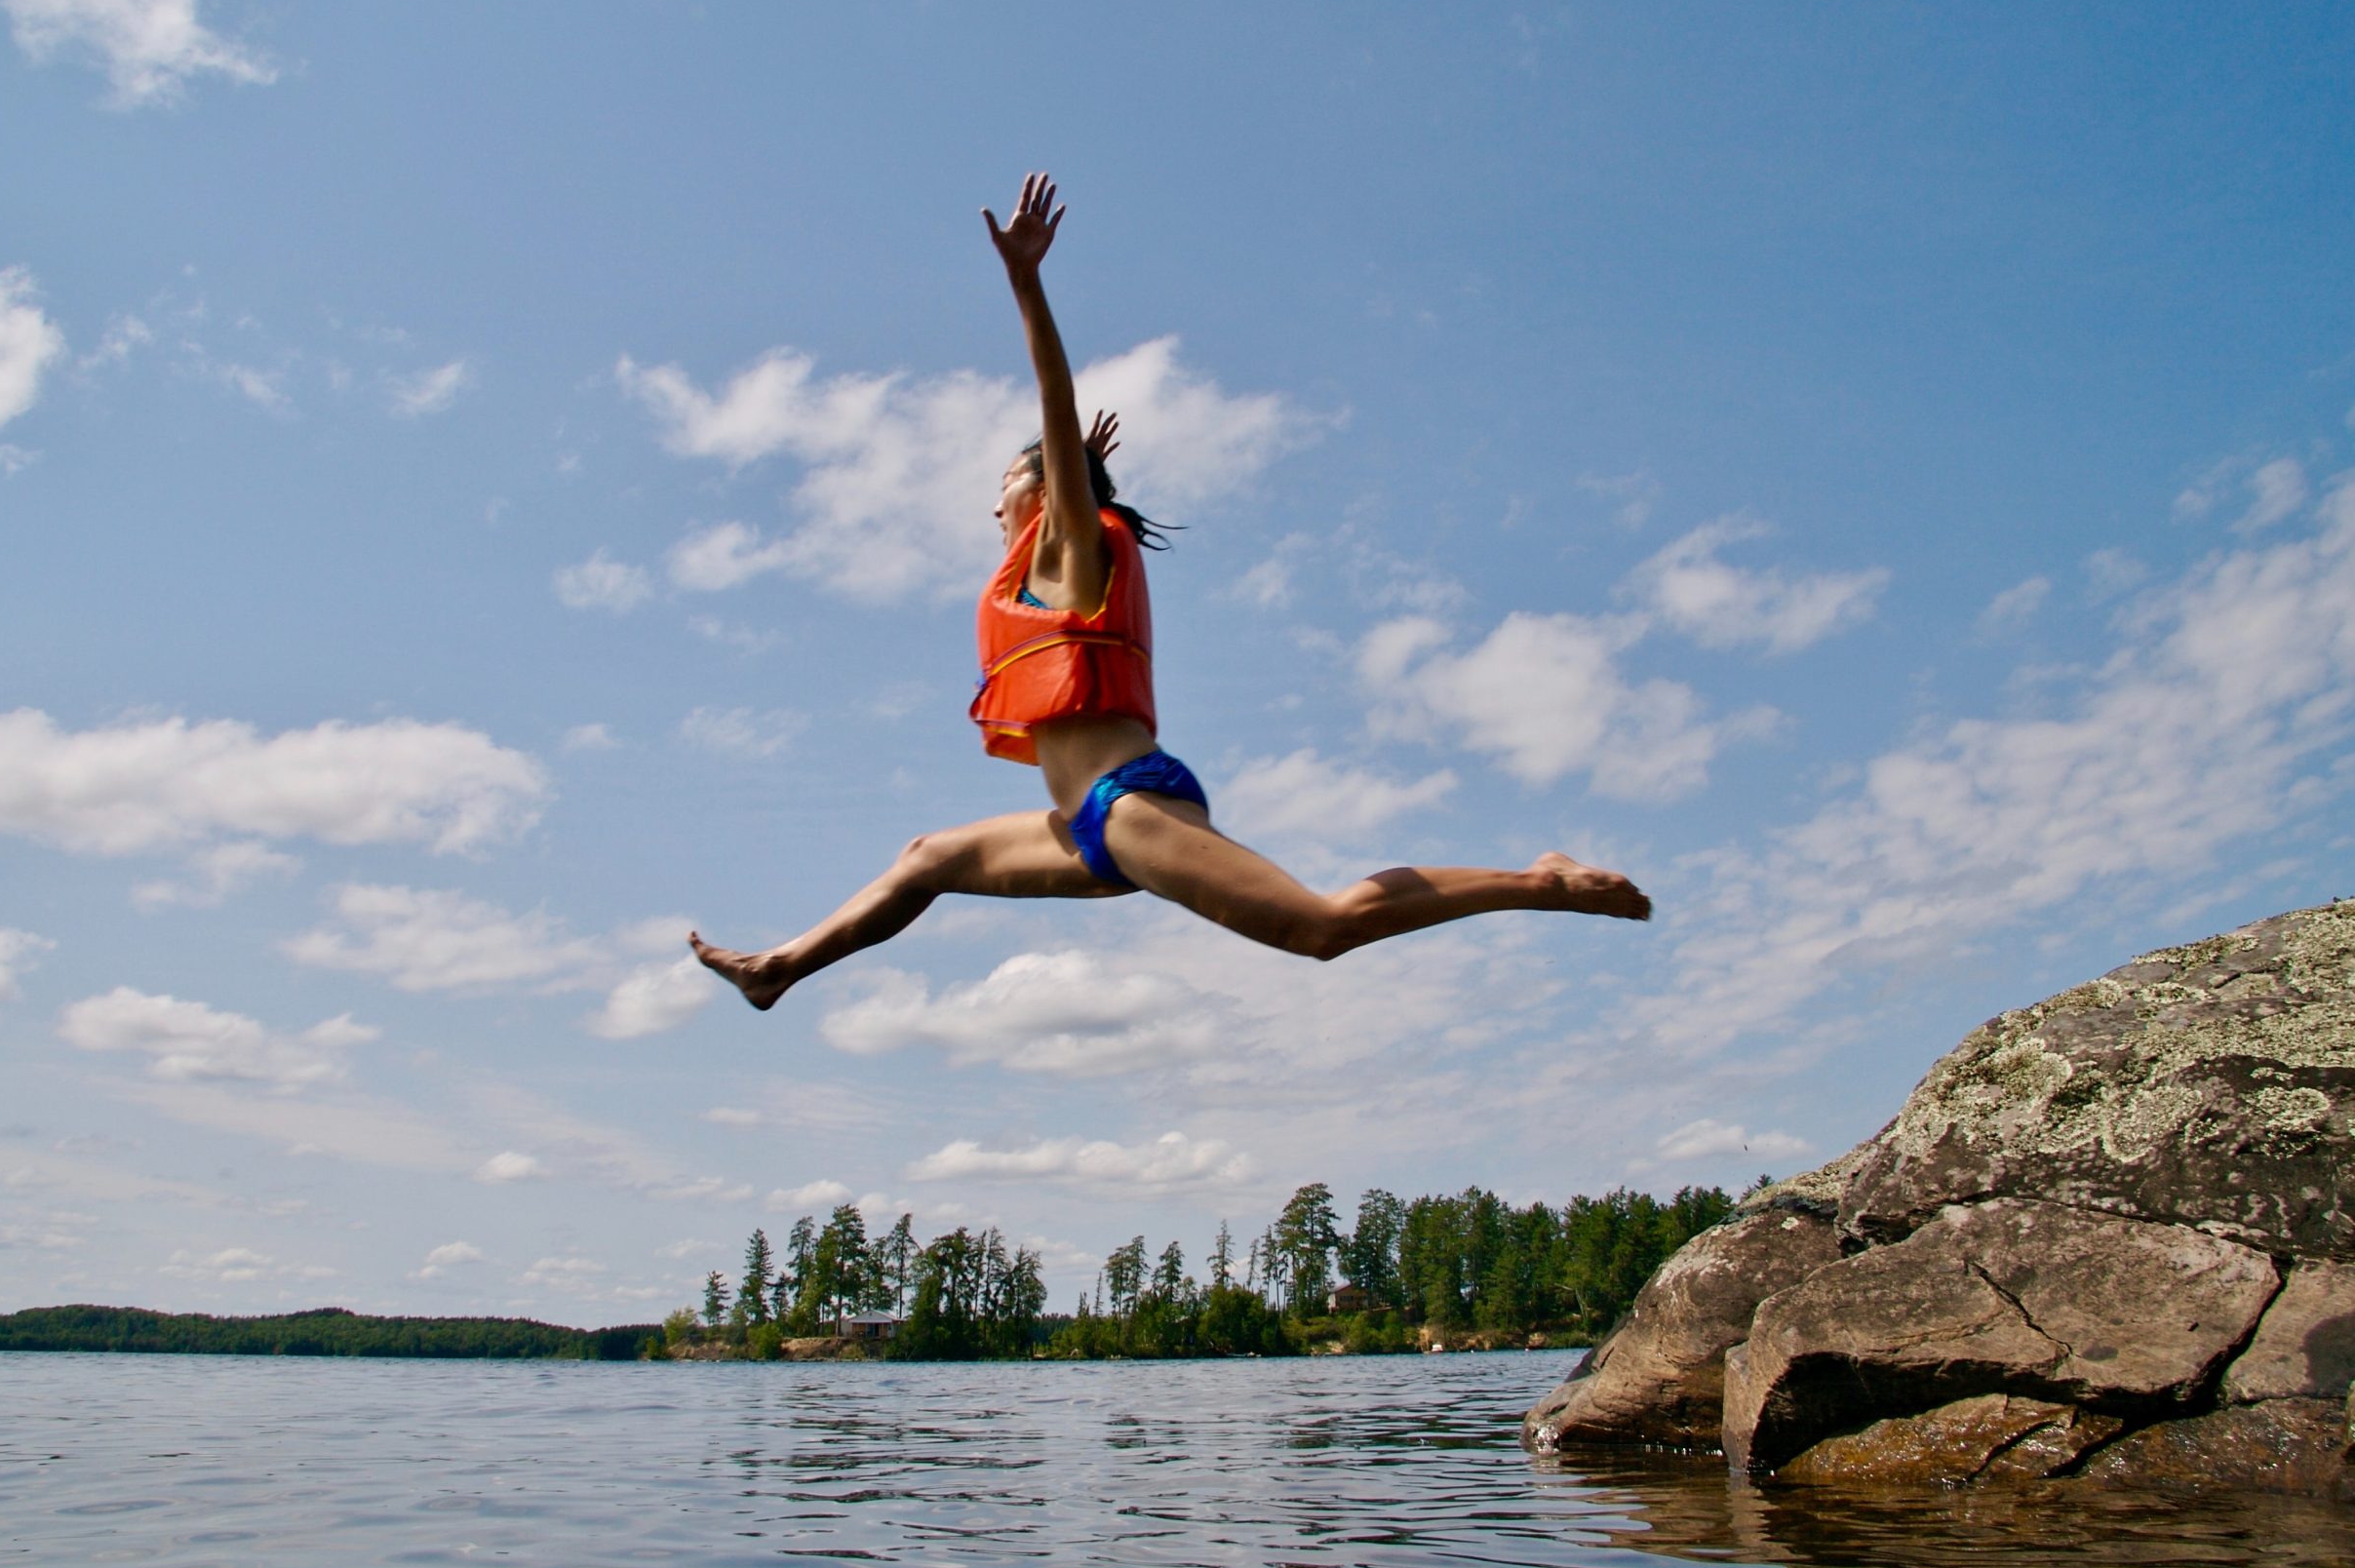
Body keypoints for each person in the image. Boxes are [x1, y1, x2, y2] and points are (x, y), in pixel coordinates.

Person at [691, 173, 1648, 1011]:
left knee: (1322, 926)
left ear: (1042, 488)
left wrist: (1026, 284)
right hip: (1080, 828)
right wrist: (1081, 471)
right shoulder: (1057, 547)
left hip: (1125, 807)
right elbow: (1061, 464)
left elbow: (1053, 412)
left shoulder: (1068, 535)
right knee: (926, 858)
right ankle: (778, 968)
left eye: (1004, 484)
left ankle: (1540, 881)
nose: (991, 502)